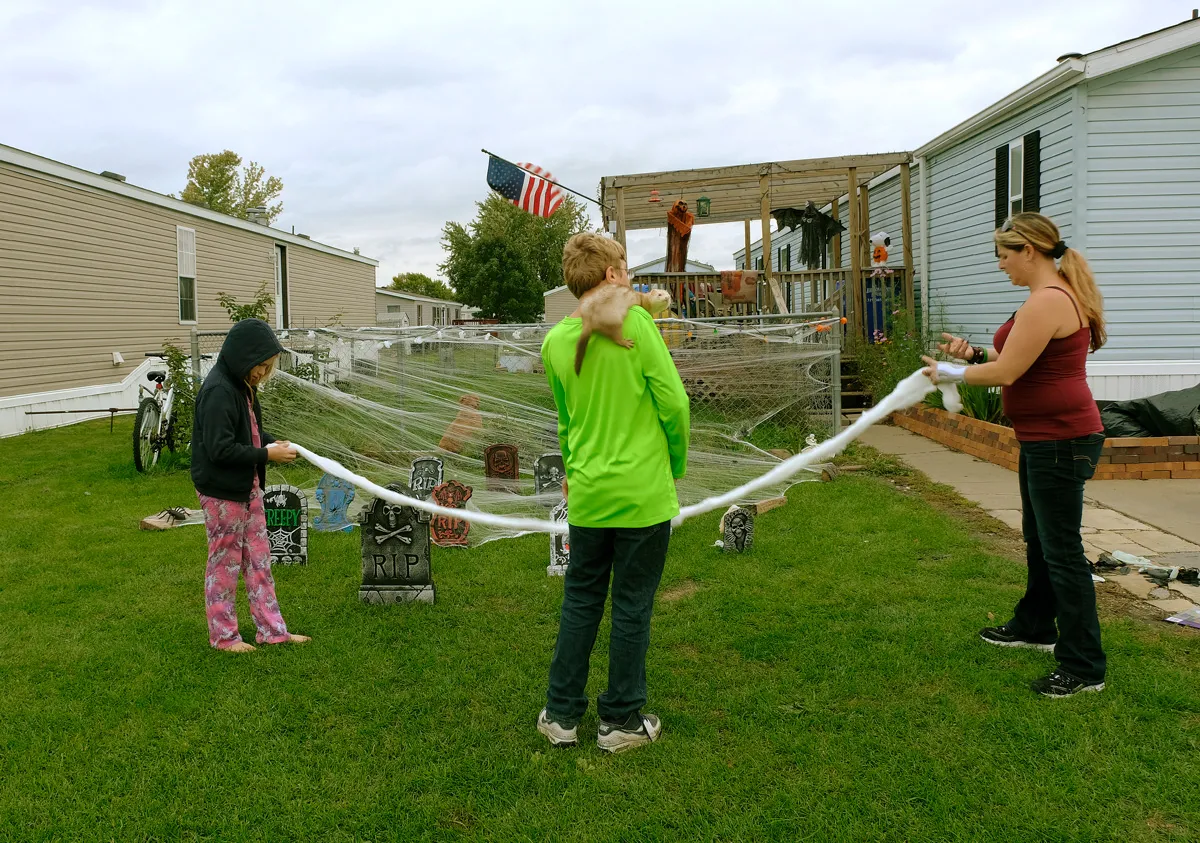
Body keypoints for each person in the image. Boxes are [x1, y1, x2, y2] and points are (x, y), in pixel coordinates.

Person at [923, 212, 1107, 698]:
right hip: (1044, 437)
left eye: (1004, 256)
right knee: (1040, 541)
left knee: (1063, 551)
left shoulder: (1049, 300)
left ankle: (1085, 667)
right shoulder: (1045, 298)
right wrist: (972, 357)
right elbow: (1012, 363)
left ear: (1029, 250)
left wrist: (950, 372)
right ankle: (1035, 626)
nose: (1001, 265)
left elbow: (1009, 373)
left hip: (1061, 439)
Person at [537, 233, 690, 752]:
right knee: (630, 605)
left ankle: (560, 716)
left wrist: (574, 472)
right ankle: (622, 722)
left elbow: (567, 422)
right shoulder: (638, 323)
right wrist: (675, 463)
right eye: (623, 266)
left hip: (589, 496)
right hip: (641, 495)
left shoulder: (555, 339)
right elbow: (674, 405)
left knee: (580, 599)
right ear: (609, 276)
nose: (629, 275)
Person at [191, 318, 310, 653]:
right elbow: (220, 449)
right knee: (225, 564)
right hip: (222, 492)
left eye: (267, 367)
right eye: (260, 365)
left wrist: (274, 444)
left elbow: (251, 431)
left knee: (259, 561)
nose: (262, 373)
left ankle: (273, 631)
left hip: (248, 487)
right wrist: (266, 455)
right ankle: (224, 637)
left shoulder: (243, 386)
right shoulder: (219, 391)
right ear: (244, 356)